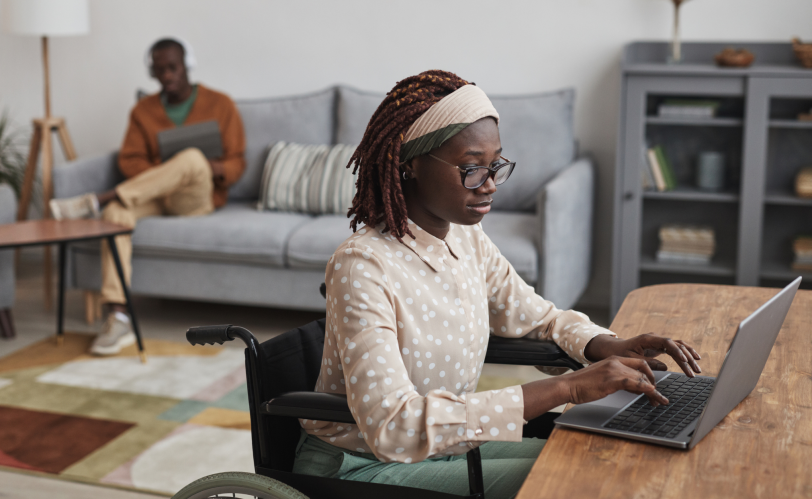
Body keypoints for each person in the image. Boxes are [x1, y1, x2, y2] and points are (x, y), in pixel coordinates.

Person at [292, 70, 702, 498]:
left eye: (496, 166)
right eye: (471, 169)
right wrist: (567, 387)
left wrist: (606, 345)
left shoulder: (465, 237)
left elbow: (539, 319)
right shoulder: (362, 265)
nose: (489, 185)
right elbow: (394, 427)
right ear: (411, 164)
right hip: (362, 467)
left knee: (604, 452)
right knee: (584, 476)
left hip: (443, 449)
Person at [50, 38, 246, 355]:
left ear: (187, 66)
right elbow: (129, 160)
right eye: (159, 70)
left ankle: (98, 199)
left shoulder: (220, 104)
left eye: (173, 68)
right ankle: (118, 316)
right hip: (155, 194)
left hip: (195, 196)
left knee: (193, 158)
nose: (167, 75)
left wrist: (210, 167)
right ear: (152, 73)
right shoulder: (143, 111)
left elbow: (238, 161)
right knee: (115, 213)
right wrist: (166, 170)